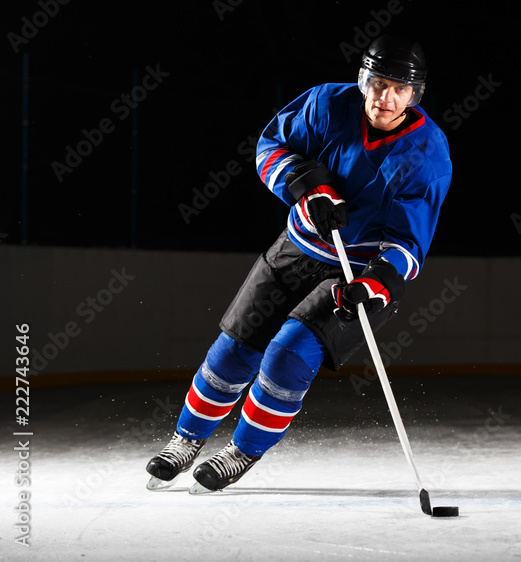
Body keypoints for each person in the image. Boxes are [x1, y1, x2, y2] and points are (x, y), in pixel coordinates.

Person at [145, 35, 452, 493]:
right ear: (363, 79)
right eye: (377, 83)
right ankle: (186, 439)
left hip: (355, 274)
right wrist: (303, 186)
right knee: (234, 350)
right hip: (295, 248)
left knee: (287, 355)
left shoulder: (426, 154)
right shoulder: (326, 104)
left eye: (398, 89)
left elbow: (408, 241)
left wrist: (375, 285)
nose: (384, 98)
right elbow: (271, 146)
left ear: (415, 94)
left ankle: (243, 449)